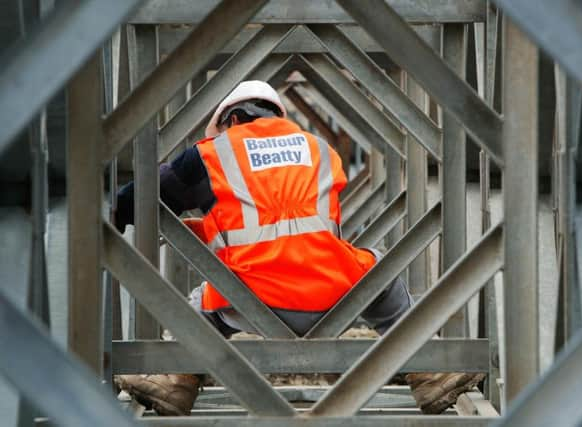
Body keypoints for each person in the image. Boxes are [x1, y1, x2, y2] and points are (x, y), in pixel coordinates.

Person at [114, 81, 484, 416]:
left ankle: (174, 379)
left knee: (201, 304)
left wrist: (115, 212)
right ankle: (430, 368)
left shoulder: (210, 153)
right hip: (331, 296)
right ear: (277, 114)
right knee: (381, 276)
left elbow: (146, 196)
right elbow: (287, 217)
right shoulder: (319, 148)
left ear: (235, 117)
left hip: (249, 302)